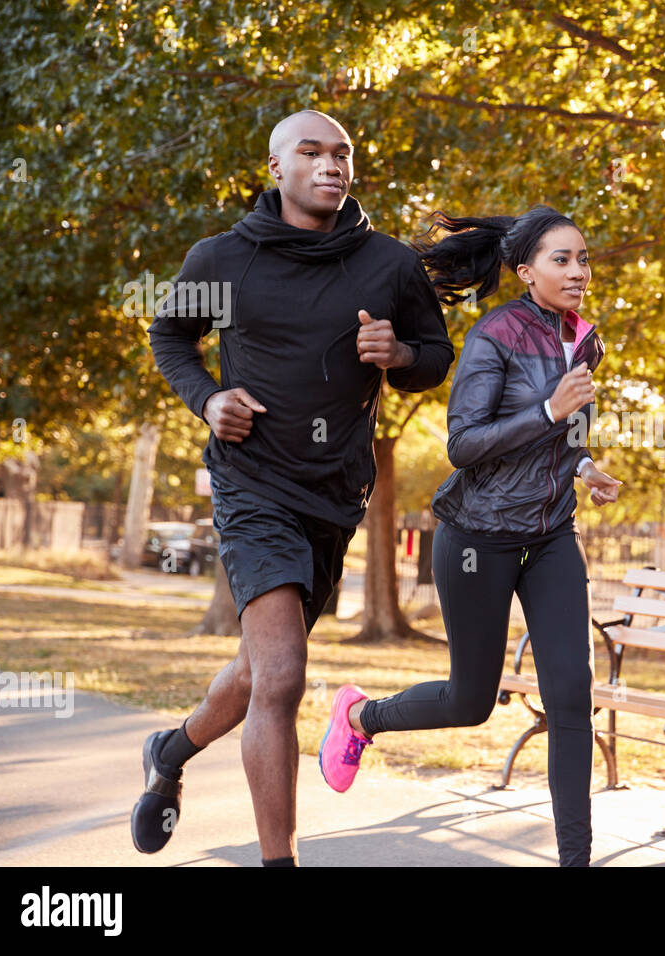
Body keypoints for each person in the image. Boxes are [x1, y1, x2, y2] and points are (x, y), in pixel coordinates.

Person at [137, 109, 454, 866]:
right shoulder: (223, 259)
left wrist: (401, 350)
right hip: (252, 485)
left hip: (335, 495)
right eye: (310, 152)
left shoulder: (389, 264)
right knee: (283, 676)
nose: (330, 164)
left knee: (254, 676)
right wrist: (208, 399)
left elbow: (437, 356)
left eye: (341, 153)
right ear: (276, 169)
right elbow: (169, 335)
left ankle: (170, 751)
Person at [319, 206, 622, 867]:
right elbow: (464, 445)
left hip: (549, 536)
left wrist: (586, 466)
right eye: (561, 260)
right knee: (470, 702)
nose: (578, 271)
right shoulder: (495, 336)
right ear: (524, 271)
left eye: (583, 259)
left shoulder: (584, 339)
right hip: (478, 537)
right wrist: (548, 409)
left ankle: (577, 861)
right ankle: (360, 717)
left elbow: (564, 439)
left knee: (571, 696)